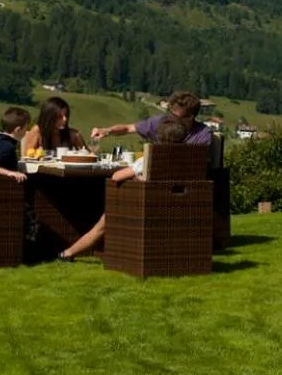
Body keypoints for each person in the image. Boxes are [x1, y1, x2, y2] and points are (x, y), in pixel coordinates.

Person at [59, 116, 190, 260]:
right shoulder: (189, 160)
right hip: (174, 208)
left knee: (104, 221)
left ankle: (68, 253)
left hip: (145, 206)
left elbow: (116, 177)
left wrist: (136, 176)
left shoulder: (149, 159)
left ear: (159, 138)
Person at [91, 90, 213, 147]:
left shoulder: (203, 134)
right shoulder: (160, 122)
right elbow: (128, 128)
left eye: (176, 116)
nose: (171, 118)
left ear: (190, 117)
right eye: (170, 113)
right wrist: (107, 131)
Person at [22, 95, 88, 155]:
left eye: (66, 115)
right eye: (59, 116)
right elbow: (27, 156)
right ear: (49, 117)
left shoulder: (73, 135)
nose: (65, 119)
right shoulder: (38, 131)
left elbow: (89, 156)